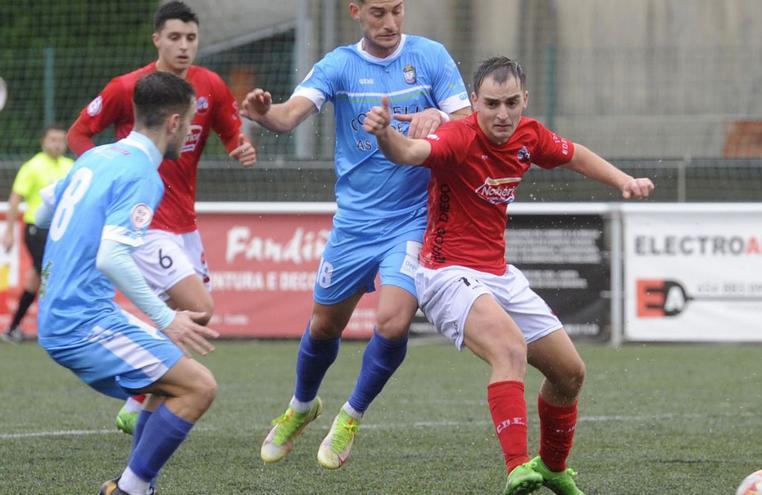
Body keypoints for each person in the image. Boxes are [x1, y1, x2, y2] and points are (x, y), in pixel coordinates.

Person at [363, 56, 655, 495]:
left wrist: (623, 180)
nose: (502, 114)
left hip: (498, 274)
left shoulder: (528, 135)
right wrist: (386, 134)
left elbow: (574, 155)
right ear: (474, 102)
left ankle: (553, 467)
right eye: (493, 104)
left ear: (525, 101)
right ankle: (518, 467)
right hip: (446, 273)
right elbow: (410, 152)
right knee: (510, 350)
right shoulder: (457, 137)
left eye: (512, 103)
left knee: (569, 373)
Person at [241, 0, 471, 469]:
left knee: (393, 322)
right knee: (325, 325)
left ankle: (350, 416)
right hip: (355, 223)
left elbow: (472, 122)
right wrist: (263, 114)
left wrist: (441, 119)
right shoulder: (340, 65)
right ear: (356, 12)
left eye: (397, 11)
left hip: (411, 217)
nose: (389, 23)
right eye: (378, 13)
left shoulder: (430, 57)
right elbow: (288, 118)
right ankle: (302, 406)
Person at [67, 0, 256, 434]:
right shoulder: (127, 88)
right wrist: (103, 172)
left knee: (195, 318)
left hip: (184, 223)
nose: (184, 46)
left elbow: (230, 131)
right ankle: (144, 398)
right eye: (174, 37)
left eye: (191, 38)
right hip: (145, 223)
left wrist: (239, 149)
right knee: (195, 309)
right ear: (157, 40)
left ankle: (139, 398)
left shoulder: (210, 85)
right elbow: (80, 132)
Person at [38, 71, 218, 495]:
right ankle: (130, 490)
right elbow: (112, 256)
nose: (192, 131)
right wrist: (165, 319)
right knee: (199, 387)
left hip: (64, 313)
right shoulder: (142, 174)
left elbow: (46, 208)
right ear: (173, 122)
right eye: (191, 121)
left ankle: (137, 486)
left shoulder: (96, 157)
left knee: (169, 382)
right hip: (83, 322)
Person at [1, 125, 73, 343]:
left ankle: (12, 328)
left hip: (60, 230)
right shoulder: (33, 166)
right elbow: (16, 199)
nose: (57, 144)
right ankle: (57, 329)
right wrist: (10, 232)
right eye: (52, 139)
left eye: (61, 140)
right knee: (53, 274)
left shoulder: (71, 166)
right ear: (43, 141)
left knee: (35, 277)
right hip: (36, 230)